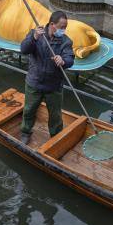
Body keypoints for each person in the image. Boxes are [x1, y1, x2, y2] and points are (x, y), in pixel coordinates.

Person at [19, 10, 75, 144]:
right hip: (35, 82)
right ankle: (26, 132)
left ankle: (55, 137)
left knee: (55, 115)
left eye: (65, 27)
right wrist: (34, 38)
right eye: (62, 27)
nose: (64, 30)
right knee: (29, 110)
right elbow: (24, 49)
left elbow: (70, 59)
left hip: (54, 85)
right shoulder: (36, 34)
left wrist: (63, 60)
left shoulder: (66, 41)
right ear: (52, 24)